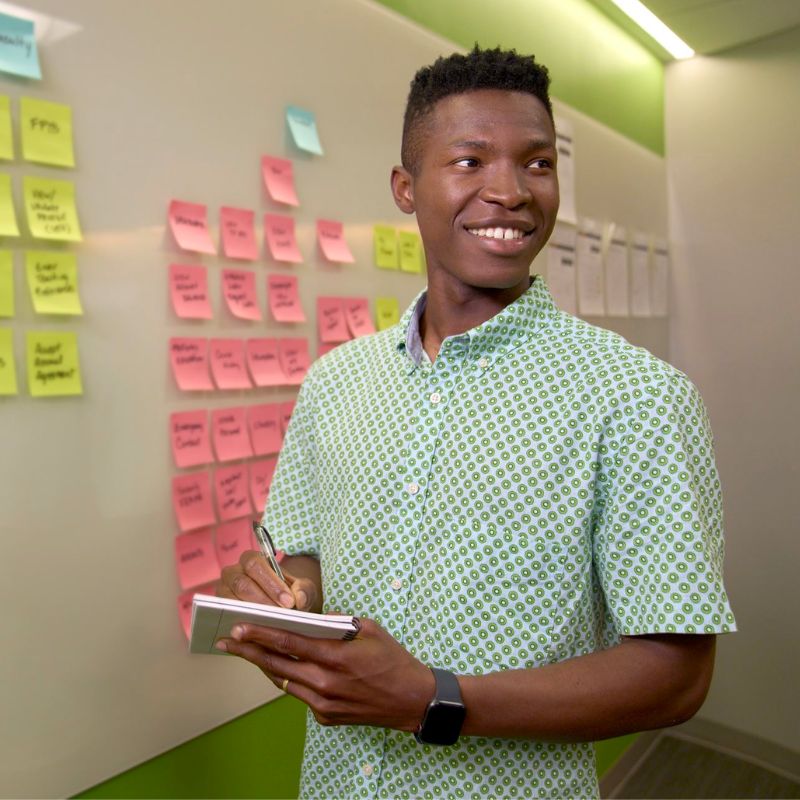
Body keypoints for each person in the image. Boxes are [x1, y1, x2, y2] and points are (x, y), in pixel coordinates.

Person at [217, 46, 736, 799]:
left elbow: (677, 675)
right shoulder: (335, 382)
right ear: (406, 187)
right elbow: (304, 563)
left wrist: (433, 698)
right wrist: (283, 600)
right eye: (469, 162)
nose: (510, 191)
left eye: (536, 164)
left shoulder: (637, 398)